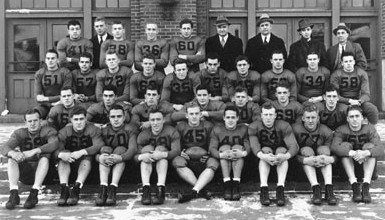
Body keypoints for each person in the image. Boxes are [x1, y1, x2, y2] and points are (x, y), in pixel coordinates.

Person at [1, 109, 58, 209]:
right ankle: (13, 194)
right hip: (27, 175)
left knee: (44, 157)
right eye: (29, 121)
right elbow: (5, 147)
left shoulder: (48, 130)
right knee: (11, 158)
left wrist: (35, 150)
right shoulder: (20, 133)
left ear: (41, 121)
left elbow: (54, 144)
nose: (32, 124)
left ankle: (34, 193)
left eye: (35, 120)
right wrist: (13, 153)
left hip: (46, 175)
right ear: (25, 122)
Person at [248, 102, 299, 206]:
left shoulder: (283, 125)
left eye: (271, 115)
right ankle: (263, 188)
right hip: (264, 154)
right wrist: (263, 156)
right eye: (265, 115)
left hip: (279, 152)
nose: (268, 118)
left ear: (275, 115)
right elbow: (254, 145)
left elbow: (294, 146)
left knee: (282, 151)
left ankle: (280, 188)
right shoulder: (254, 126)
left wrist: (285, 156)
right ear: (261, 115)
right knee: (265, 150)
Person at [331, 105, 383, 203]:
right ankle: (354, 185)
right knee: (345, 146)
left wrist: (365, 153)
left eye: (357, 116)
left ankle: (366, 186)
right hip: (348, 168)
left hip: (367, 167)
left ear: (362, 118)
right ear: (347, 119)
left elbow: (380, 148)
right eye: (351, 117)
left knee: (369, 146)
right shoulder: (341, 129)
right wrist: (352, 153)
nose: (354, 119)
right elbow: (334, 147)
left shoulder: (369, 129)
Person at [55, 106, 104, 206]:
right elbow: (55, 149)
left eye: (81, 119)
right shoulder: (65, 131)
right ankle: (64, 189)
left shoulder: (93, 129)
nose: (79, 122)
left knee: (87, 158)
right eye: (76, 119)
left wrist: (82, 152)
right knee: (64, 155)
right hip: (69, 165)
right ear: (71, 120)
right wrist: (62, 154)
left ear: (86, 119)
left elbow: (99, 145)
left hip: (87, 167)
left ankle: (77, 188)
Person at [292, 104, 337, 205]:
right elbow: (290, 153)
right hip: (303, 167)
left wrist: (330, 159)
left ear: (318, 118)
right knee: (307, 150)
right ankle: (316, 188)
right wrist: (304, 160)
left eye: (313, 117)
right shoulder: (295, 129)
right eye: (308, 117)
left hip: (323, 165)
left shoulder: (326, 131)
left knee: (324, 150)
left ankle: (329, 188)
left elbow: (336, 153)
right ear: (303, 118)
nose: (311, 120)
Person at [174, 104, 218, 203]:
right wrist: (181, 152)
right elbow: (176, 143)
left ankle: (195, 191)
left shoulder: (208, 126)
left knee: (214, 163)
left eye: (196, 113)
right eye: (191, 114)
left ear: (200, 115)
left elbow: (213, 143)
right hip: (186, 157)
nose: (194, 116)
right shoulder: (181, 126)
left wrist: (208, 153)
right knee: (177, 161)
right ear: (186, 115)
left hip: (204, 156)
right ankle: (201, 190)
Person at [135, 110, 181, 205]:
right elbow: (135, 156)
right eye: (153, 120)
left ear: (163, 120)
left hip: (165, 166)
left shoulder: (171, 131)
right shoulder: (143, 135)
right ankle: (146, 189)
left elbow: (177, 151)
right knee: (145, 155)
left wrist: (162, 154)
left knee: (161, 150)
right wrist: (142, 156)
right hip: (148, 166)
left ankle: (161, 188)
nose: (155, 123)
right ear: (149, 121)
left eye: (158, 119)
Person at [95, 104, 138, 206]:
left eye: (119, 116)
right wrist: (99, 158)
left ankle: (113, 188)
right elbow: (95, 150)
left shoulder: (130, 128)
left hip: (125, 163)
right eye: (113, 117)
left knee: (120, 149)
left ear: (124, 117)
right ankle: (103, 188)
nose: (116, 119)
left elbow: (133, 149)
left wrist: (120, 158)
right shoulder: (103, 130)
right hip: (107, 162)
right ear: (108, 118)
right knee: (104, 151)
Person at [209, 106, 249, 201]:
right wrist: (221, 154)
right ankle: (227, 184)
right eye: (228, 117)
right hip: (224, 160)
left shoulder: (243, 128)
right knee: (224, 148)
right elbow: (212, 148)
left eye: (233, 117)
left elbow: (248, 146)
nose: (230, 120)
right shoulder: (217, 129)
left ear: (237, 118)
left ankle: (236, 184)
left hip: (241, 161)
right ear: (223, 118)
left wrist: (243, 153)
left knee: (237, 148)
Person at [330, 51, 378, 125]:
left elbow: (366, 94)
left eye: (350, 61)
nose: (348, 63)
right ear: (342, 63)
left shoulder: (361, 73)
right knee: (343, 110)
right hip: (342, 102)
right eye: (346, 61)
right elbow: (335, 95)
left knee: (372, 109)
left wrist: (359, 101)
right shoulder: (336, 75)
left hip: (358, 101)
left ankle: (371, 131)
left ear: (354, 62)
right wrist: (349, 101)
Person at [34, 49, 72, 119]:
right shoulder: (40, 73)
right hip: (45, 105)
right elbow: (38, 98)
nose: (50, 60)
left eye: (53, 58)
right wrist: (51, 103)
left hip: (61, 103)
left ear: (57, 60)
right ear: (45, 60)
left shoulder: (65, 72)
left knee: (55, 114)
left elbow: (66, 95)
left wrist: (46, 98)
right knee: (35, 114)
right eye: (48, 58)